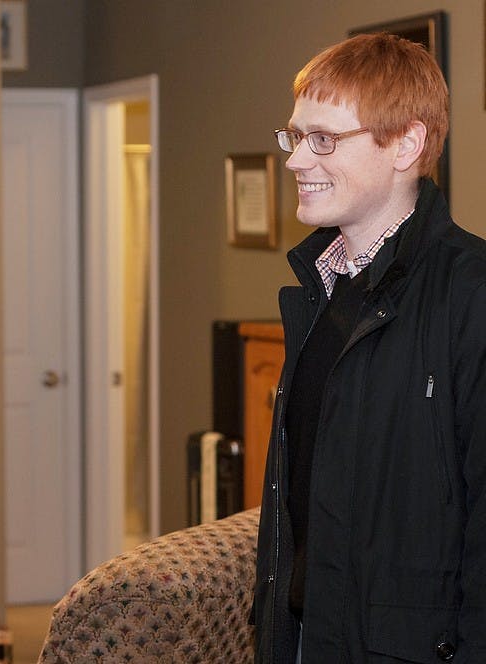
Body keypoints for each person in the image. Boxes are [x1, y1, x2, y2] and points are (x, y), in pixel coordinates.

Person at [253, 33, 486, 663]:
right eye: (295, 136)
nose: (298, 159)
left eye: (324, 139)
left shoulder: (471, 293)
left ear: (406, 145)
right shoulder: (316, 294)